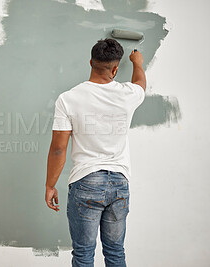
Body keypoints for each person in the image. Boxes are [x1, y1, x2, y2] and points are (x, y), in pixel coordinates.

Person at [45, 38, 146, 267]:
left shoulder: (68, 99)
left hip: (86, 182)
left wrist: (50, 185)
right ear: (115, 69)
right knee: (115, 253)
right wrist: (138, 62)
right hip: (120, 184)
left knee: (83, 254)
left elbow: (59, 148)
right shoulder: (127, 94)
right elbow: (140, 84)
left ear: (90, 62)